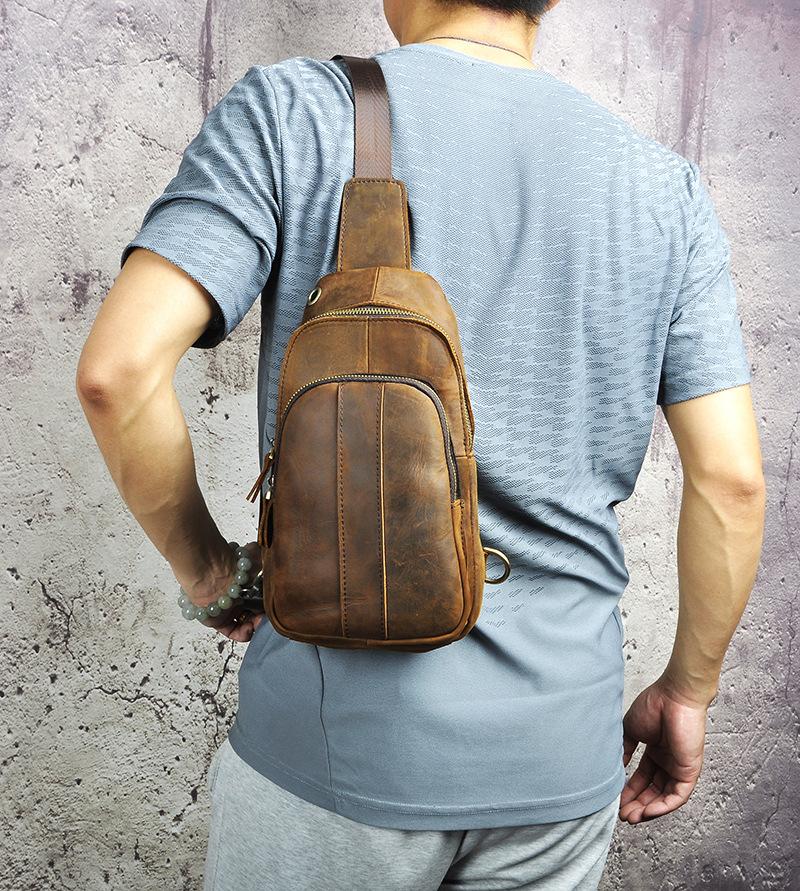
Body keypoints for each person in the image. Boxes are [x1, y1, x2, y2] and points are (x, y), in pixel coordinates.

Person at [75, 0, 766, 888]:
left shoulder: (296, 113)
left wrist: (213, 574)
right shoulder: (661, 185)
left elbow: (118, 373)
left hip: (339, 758)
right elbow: (732, 480)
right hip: (560, 762)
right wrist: (688, 688)